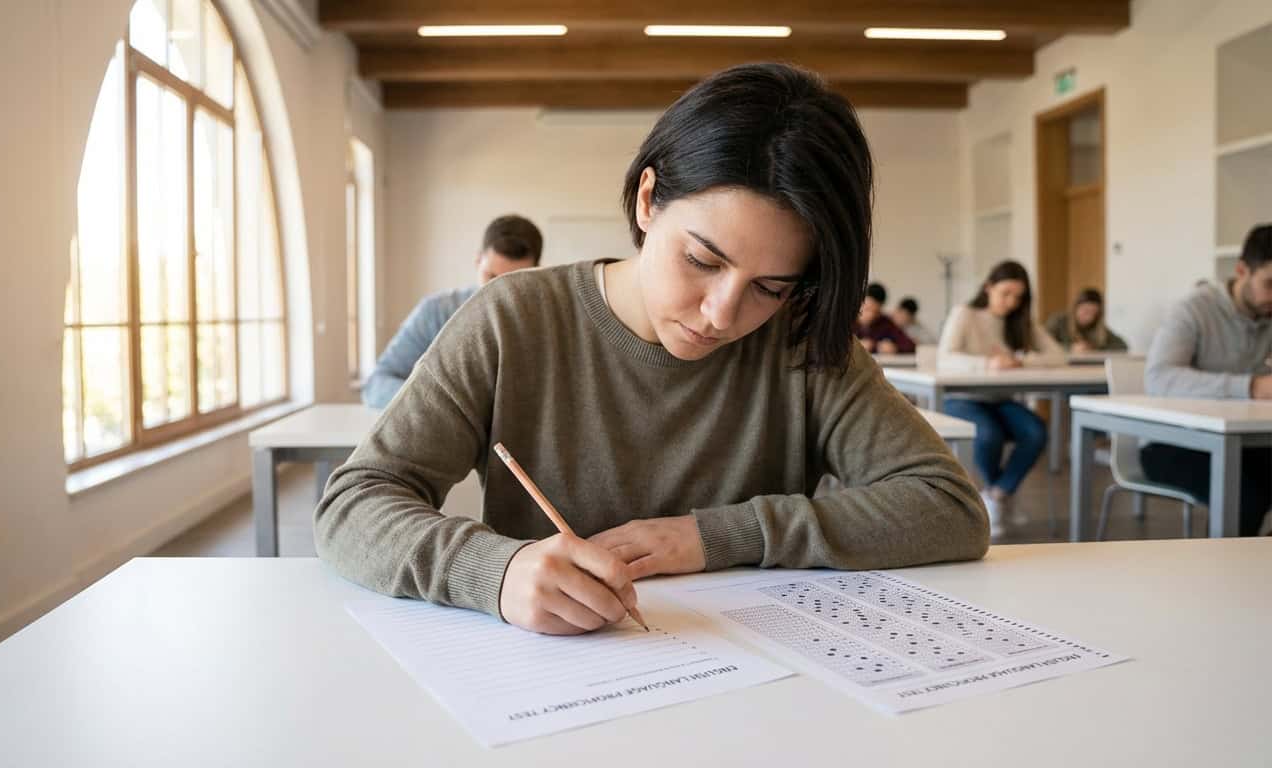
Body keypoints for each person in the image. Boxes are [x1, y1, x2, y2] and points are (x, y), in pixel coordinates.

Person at [315, 63, 988, 637]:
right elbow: (354, 504)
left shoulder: (800, 340)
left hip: (758, 681)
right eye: (702, 260)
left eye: (770, 287)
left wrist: (715, 536)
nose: (721, 315)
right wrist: (494, 570)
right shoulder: (511, 319)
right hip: (552, 682)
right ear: (647, 200)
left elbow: (949, 509)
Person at [1143, 223, 1272, 537]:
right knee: (1245, 495)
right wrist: (1250, 387)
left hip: (1247, 440)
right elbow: (1159, 377)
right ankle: (1226, 565)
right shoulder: (1194, 309)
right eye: (1270, 284)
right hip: (1174, 442)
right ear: (1241, 270)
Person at [937, 261, 1065, 536]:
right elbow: (944, 358)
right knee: (988, 434)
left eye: (1018, 297)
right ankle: (1000, 496)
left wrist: (1021, 360)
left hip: (1000, 399)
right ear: (988, 287)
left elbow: (1059, 356)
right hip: (962, 398)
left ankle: (997, 495)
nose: (1011, 302)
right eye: (1005, 293)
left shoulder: (1021, 322)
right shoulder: (965, 314)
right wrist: (988, 363)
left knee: (1035, 432)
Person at [361, 215, 543, 408]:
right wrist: (435, 401)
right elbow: (376, 385)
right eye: (491, 276)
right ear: (478, 260)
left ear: (536, 273)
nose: (498, 292)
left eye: (513, 281)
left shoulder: (548, 322)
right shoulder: (436, 312)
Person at [1044, 288, 1128, 352]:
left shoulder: (1097, 327)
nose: (1089, 317)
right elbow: (1042, 346)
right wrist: (1070, 349)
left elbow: (1122, 346)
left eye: (1094, 313)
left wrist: (1094, 349)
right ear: (1076, 308)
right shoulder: (1058, 321)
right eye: (1086, 311)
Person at [855, 282, 916, 354]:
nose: (870, 315)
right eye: (867, 309)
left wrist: (895, 348)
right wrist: (855, 346)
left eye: (876, 312)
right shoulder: (848, 323)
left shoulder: (885, 323)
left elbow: (910, 346)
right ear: (859, 304)